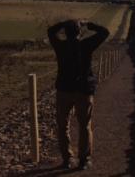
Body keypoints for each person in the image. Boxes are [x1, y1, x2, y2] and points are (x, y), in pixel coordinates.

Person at [47, 19, 109, 170]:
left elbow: (50, 32)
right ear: (79, 32)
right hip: (83, 90)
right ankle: (84, 160)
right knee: (85, 125)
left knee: (63, 126)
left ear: (65, 32)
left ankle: (67, 159)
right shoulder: (86, 45)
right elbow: (105, 33)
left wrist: (62, 23)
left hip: (64, 90)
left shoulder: (60, 46)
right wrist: (90, 25)